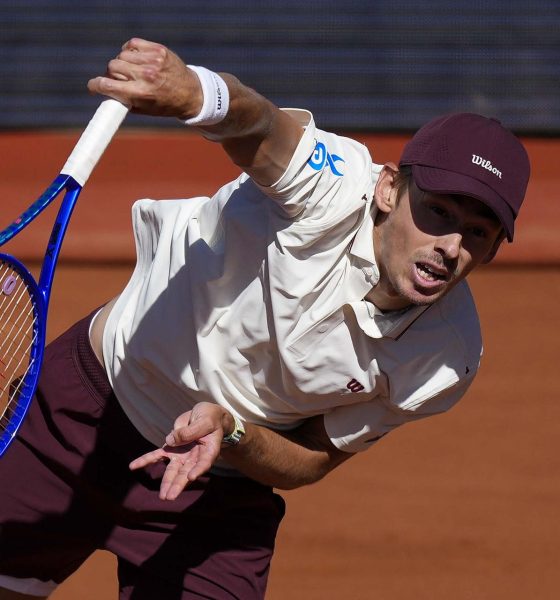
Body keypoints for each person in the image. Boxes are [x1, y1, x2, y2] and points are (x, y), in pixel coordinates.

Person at [0, 38, 530, 600]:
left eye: (477, 231)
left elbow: (310, 459)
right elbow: (262, 129)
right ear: (388, 189)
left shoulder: (447, 359)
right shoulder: (333, 185)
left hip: (218, 488)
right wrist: (196, 92)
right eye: (437, 211)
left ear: (493, 250)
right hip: (86, 407)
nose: (449, 245)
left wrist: (231, 432)